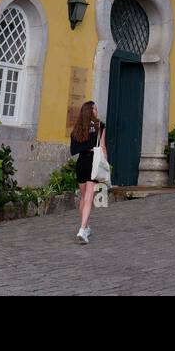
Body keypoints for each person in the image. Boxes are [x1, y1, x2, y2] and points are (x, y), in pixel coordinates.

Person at [69, 99, 107, 245]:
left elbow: (73, 149)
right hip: (93, 163)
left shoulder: (78, 128)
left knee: (84, 197)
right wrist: (106, 164)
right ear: (91, 111)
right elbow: (103, 147)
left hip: (81, 163)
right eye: (95, 109)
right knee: (89, 198)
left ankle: (87, 227)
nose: (97, 111)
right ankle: (82, 229)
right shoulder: (100, 126)